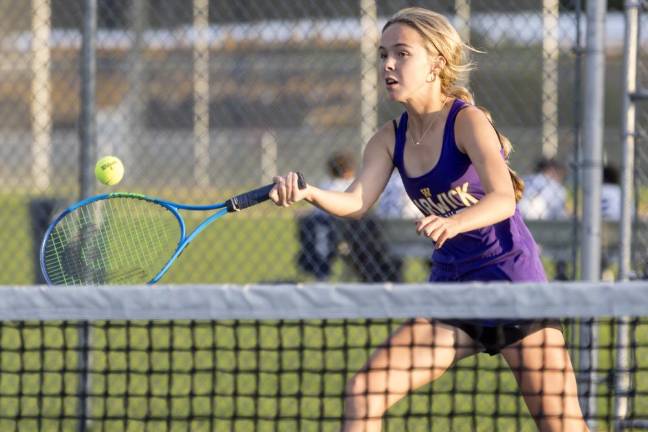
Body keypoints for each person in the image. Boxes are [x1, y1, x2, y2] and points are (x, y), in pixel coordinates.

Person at [270, 7, 588, 431]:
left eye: (402, 54)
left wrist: (456, 222)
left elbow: (502, 200)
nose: (388, 64)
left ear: (436, 62)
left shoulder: (468, 121)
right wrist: (308, 191)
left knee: (563, 427)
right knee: (366, 392)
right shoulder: (388, 139)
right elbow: (356, 202)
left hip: (513, 285)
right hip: (452, 292)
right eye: (383, 54)